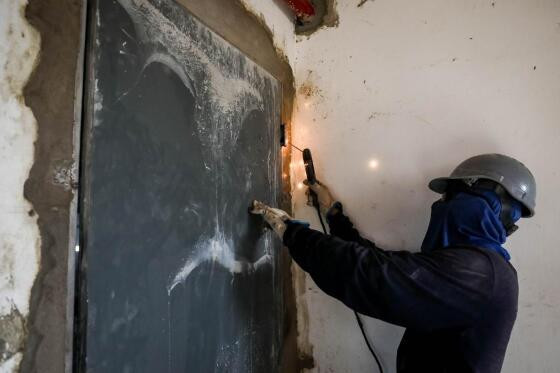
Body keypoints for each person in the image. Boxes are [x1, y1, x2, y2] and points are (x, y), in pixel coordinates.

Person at [252, 153, 536, 373]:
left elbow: (375, 277)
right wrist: (333, 214)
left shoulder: (480, 273)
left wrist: (292, 232)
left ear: (487, 204)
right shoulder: (473, 265)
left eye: (452, 196)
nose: (441, 205)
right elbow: (389, 266)